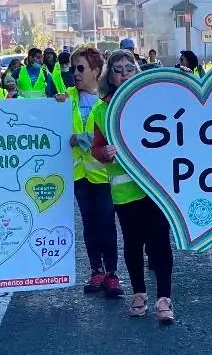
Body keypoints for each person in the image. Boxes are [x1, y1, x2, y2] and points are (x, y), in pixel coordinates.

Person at [91, 50, 175, 323]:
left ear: (137, 72)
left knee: (160, 241)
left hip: (155, 186)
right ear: (110, 75)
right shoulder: (102, 109)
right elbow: (97, 148)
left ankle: (164, 298)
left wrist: (184, 80)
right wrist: (104, 154)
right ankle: (139, 293)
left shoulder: (153, 101)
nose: (125, 72)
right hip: (125, 189)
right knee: (133, 242)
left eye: (130, 67)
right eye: (118, 68)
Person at [67, 47, 122, 297]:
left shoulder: (107, 101)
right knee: (89, 225)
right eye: (73, 68)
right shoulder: (65, 99)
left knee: (107, 224)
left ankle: (112, 273)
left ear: (96, 71)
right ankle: (96, 271)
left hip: (103, 174)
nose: (75, 73)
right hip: (80, 175)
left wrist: (84, 139)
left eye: (81, 68)